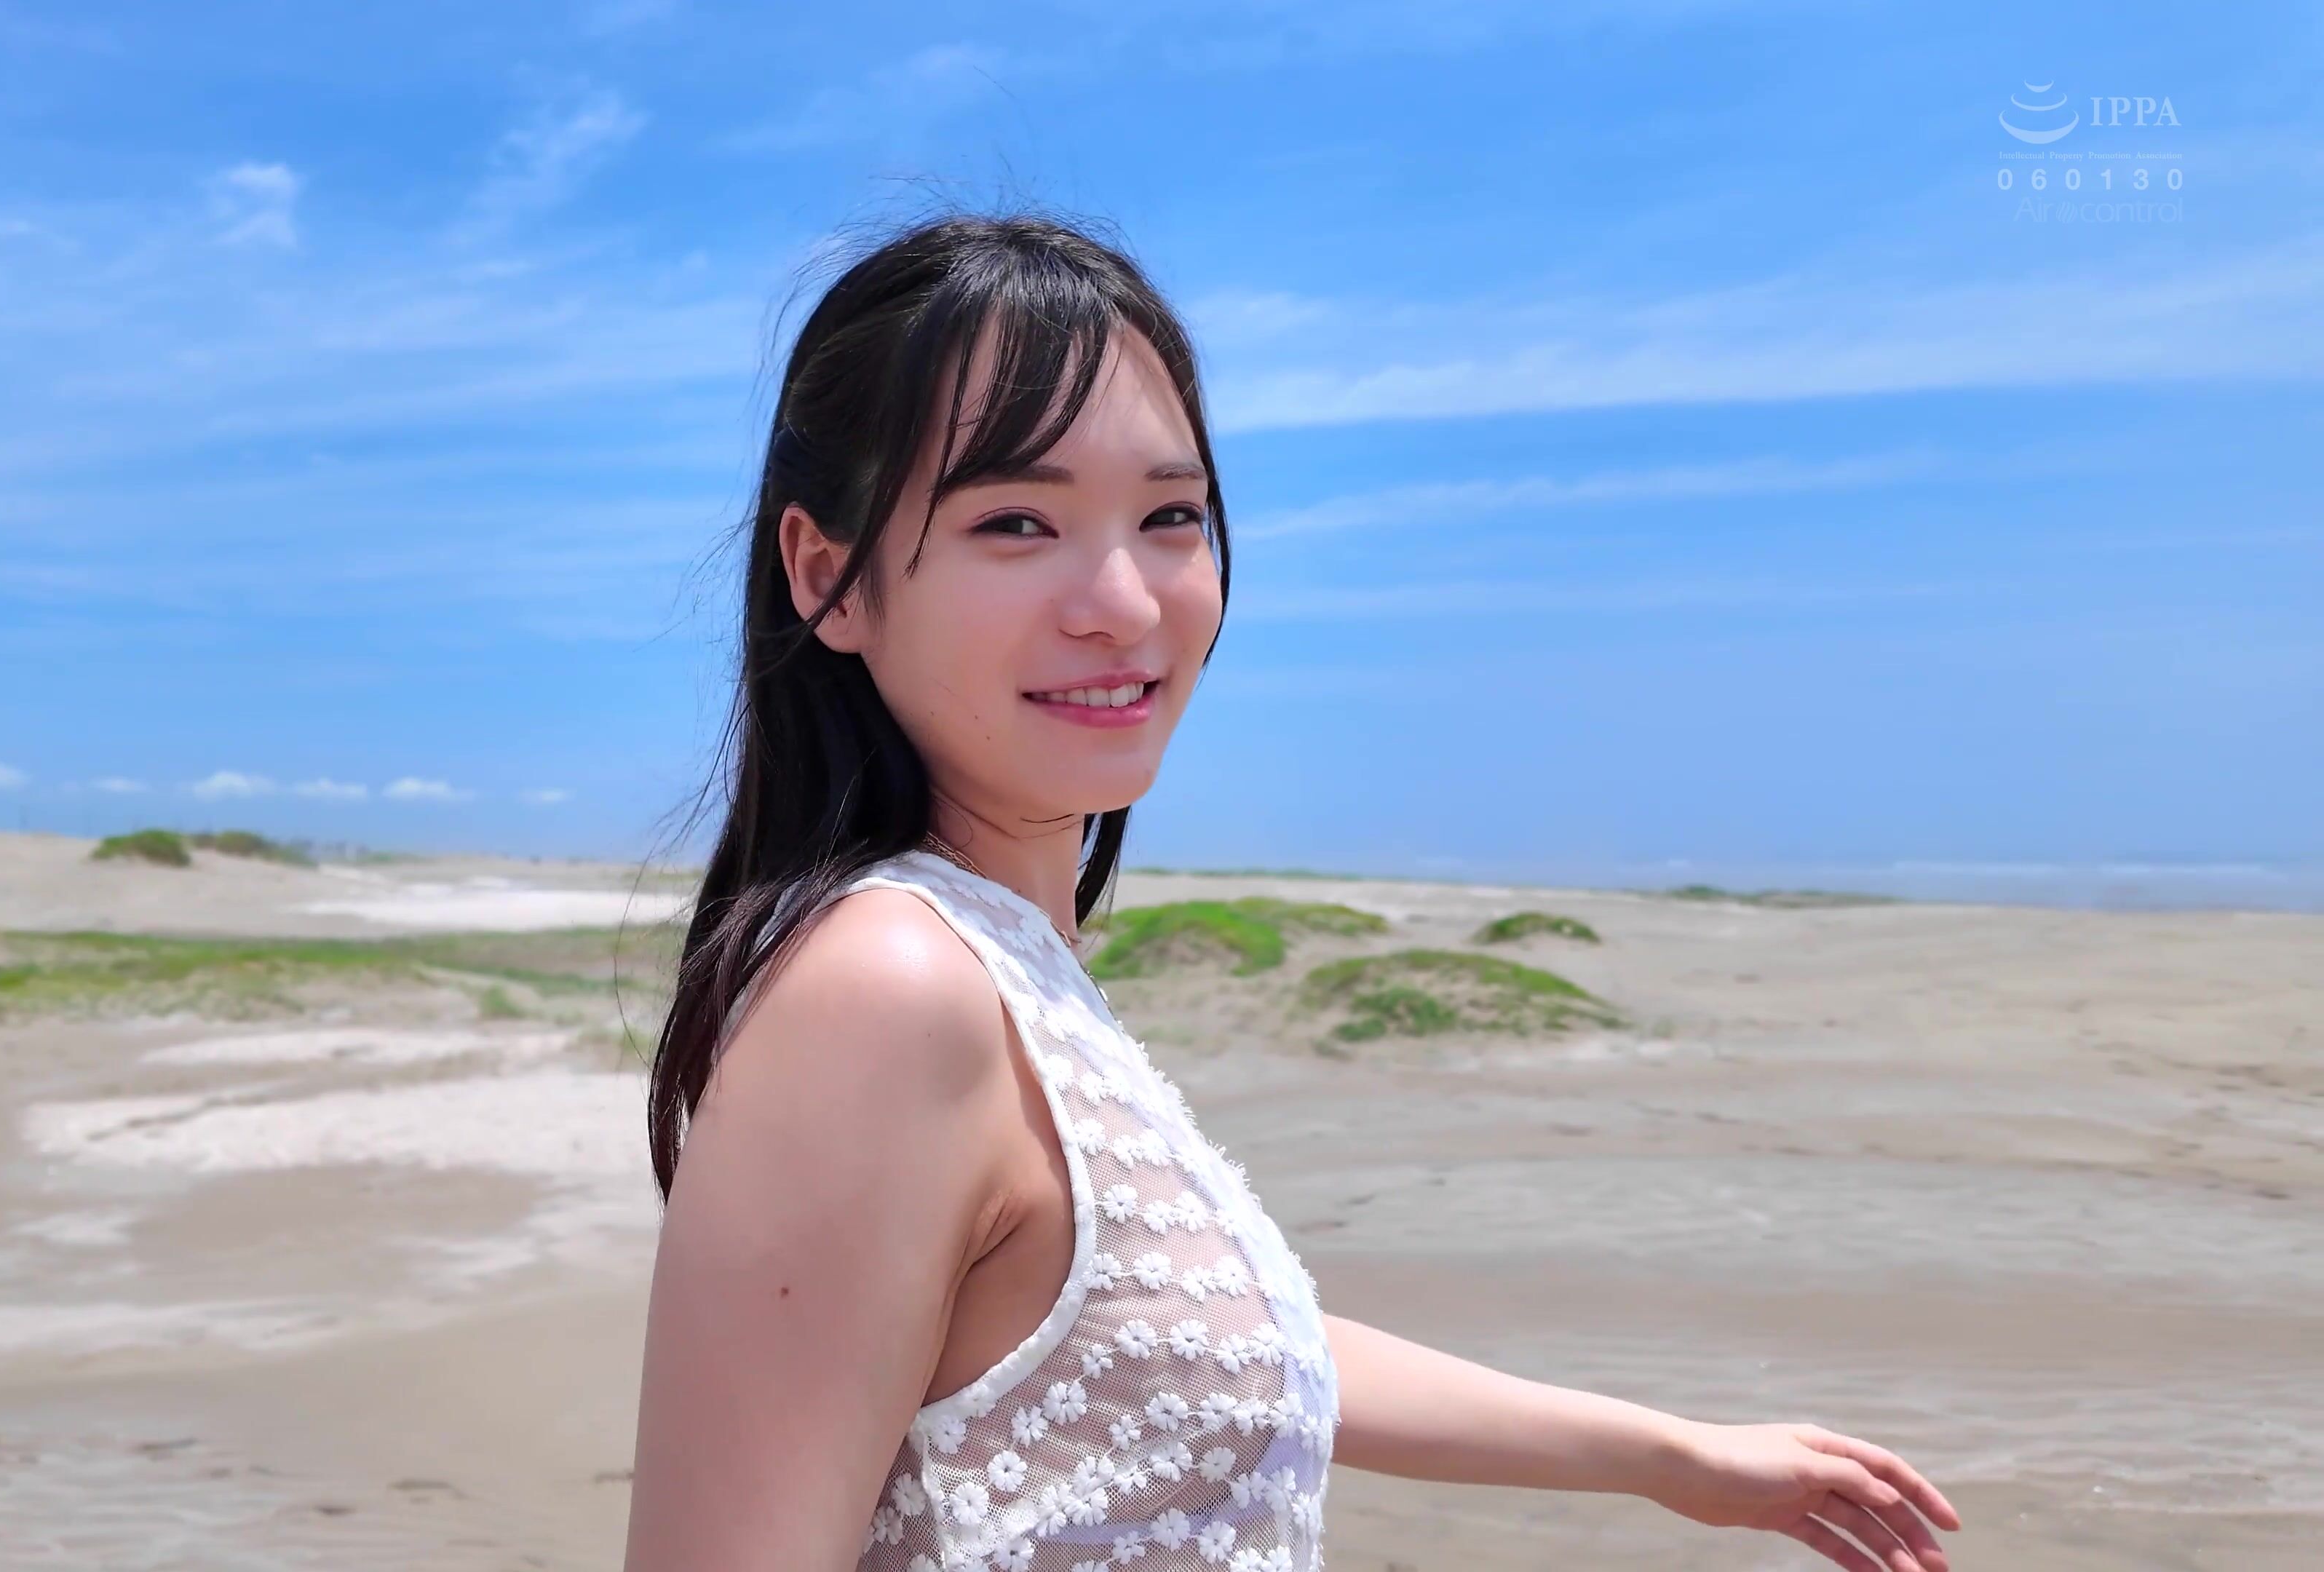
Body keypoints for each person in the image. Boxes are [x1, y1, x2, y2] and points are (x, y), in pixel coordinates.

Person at [621, 210, 1961, 1572]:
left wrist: (1674, 1459)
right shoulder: (888, 992)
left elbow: (1211, 1343)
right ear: (828, 578)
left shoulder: (1013, 973)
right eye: (1015, 521)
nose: (1123, 602)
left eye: (1170, 516)